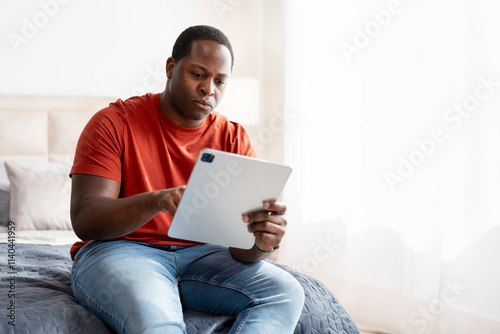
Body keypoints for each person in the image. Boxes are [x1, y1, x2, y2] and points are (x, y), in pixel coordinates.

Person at [69, 25, 305, 334]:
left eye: (220, 81)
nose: (209, 89)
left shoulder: (233, 137)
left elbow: (242, 250)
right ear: (171, 67)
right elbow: (86, 219)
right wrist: (156, 201)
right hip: (121, 250)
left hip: (204, 256)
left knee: (285, 292)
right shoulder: (114, 122)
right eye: (198, 74)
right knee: (158, 322)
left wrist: (261, 244)